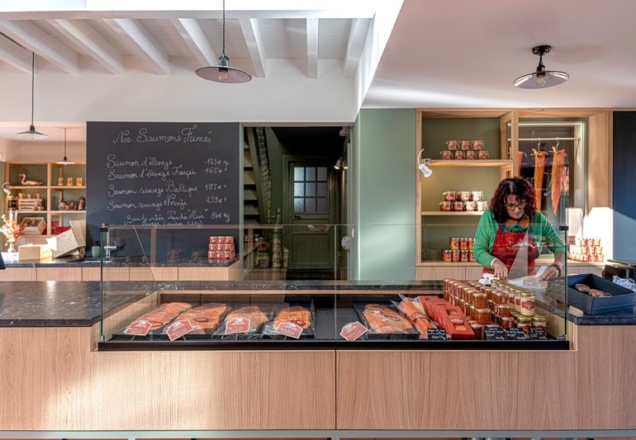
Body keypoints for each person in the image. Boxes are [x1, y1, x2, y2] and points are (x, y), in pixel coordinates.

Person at [473, 177, 565, 280]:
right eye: (510, 205)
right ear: (502, 203)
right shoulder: (490, 217)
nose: (516, 210)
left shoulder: (537, 218)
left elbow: (560, 246)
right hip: (495, 279)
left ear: (528, 201)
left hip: (528, 281)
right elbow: (478, 250)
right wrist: (495, 262)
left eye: (521, 204)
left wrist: (557, 266)